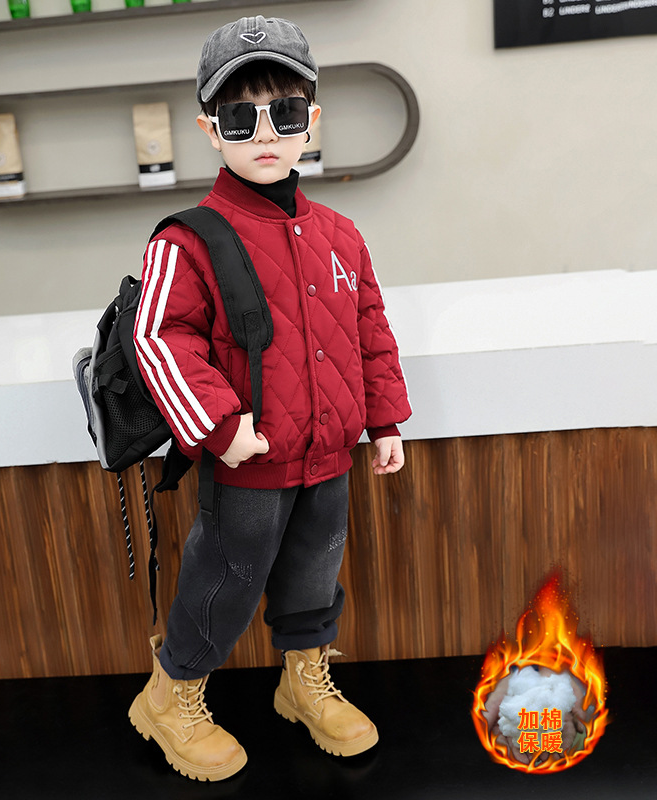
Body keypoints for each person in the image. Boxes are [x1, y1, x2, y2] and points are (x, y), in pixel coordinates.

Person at [127, 15, 412, 782]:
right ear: (208, 131)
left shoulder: (342, 234)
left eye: (284, 113)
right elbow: (159, 338)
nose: (264, 132)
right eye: (239, 116)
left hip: (330, 454)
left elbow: (369, 330)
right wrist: (220, 427)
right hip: (247, 461)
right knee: (225, 580)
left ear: (311, 122)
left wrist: (383, 418)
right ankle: (170, 695)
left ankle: (303, 681)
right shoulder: (187, 239)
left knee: (316, 573)